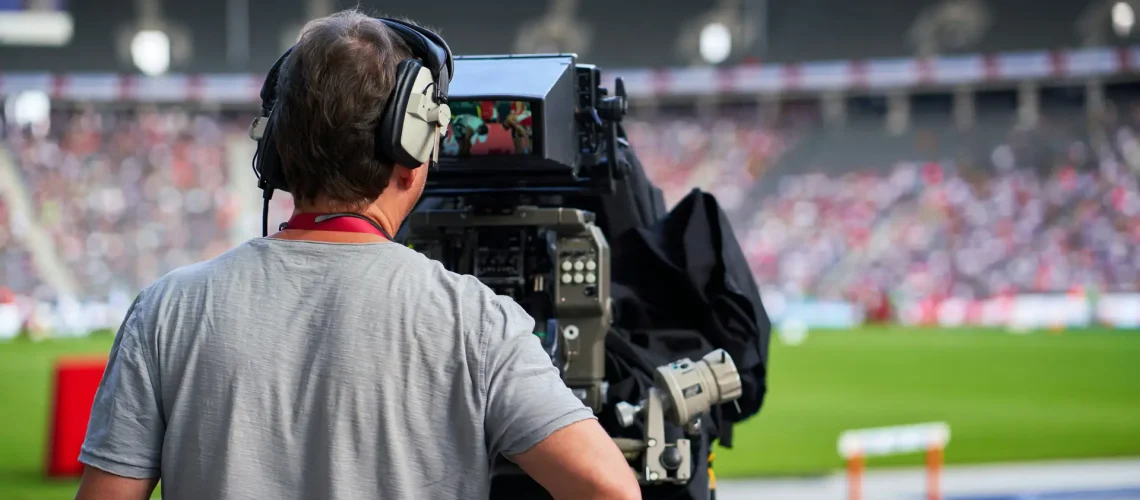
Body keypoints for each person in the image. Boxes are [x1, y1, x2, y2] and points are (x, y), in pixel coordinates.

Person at [74, 10, 640, 500]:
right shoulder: (476, 320)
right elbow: (607, 487)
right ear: (413, 145)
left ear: (275, 149)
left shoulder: (166, 309)